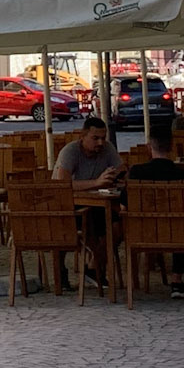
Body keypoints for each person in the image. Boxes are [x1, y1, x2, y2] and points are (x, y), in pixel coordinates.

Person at [125, 120, 184, 299]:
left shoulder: (136, 172)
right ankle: (176, 279)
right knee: (182, 222)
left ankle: (133, 287)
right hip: (180, 234)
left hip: (143, 234)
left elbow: (124, 200)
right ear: (172, 147)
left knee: (178, 222)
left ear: (149, 147)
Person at [55, 116, 122, 290]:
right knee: (70, 229)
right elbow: (63, 184)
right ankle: (61, 270)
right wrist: (97, 183)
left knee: (118, 228)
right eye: (95, 138)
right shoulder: (70, 151)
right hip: (68, 205)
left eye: (103, 138)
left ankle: (94, 266)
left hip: (98, 204)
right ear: (82, 136)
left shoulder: (107, 149)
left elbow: (122, 169)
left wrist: (117, 176)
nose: (100, 142)